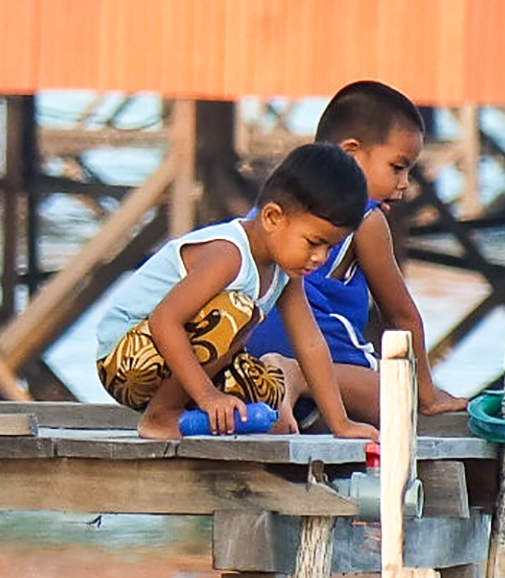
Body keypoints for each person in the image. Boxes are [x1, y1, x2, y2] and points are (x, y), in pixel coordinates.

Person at [95, 143, 379, 442]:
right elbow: (164, 321)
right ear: (272, 218)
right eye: (313, 242)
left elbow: (310, 343)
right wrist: (207, 396)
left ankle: (191, 416)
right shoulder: (229, 255)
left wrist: (341, 423)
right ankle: (161, 416)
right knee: (238, 313)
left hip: (173, 362)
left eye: (330, 248)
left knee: (269, 393)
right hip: (126, 359)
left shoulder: (285, 272)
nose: (320, 258)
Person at [245, 81, 467, 431]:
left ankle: (288, 381)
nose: (406, 183)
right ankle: (297, 376)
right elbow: (402, 315)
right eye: (397, 167)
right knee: (399, 400)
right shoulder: (366, 218)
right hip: (320, 360)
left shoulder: (276, 212)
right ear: (351, 154)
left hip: (245, 353)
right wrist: (427, 393)